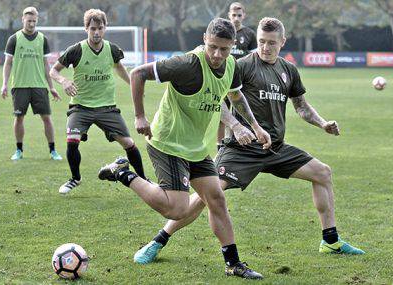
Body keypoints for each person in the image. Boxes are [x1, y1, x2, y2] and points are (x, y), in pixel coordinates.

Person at [133, 17, 365, 265]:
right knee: (205, 197)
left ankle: (330, 241)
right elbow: (218, 98)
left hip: (274, 147)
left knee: (322, 173)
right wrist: (235, 127)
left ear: (282, 42)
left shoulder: (288, 71)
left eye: (271, 43)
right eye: (262, 42)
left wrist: (322, 123)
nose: (265, 47)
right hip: (241, 150)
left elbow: (301, 106)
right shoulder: (240, 64)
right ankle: (159, 240)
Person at [98, 18, 271, 279]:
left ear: (233, 45)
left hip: (196, 147)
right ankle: (124, 172)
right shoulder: (187, 64)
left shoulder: (231, 65)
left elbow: (235, 95)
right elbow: (138, 74)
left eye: (224, 49)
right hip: (167, 142)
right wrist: (140, 116)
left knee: (216, 199)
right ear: (204, 38)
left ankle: (233, 264)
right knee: (177, 209)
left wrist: (255, 126)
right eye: (212, 46)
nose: (217, 54)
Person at [49, 9, 146, 194]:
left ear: (105, 28)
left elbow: (119, 68)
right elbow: (53, 71)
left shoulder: (112, 49)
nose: (96, 32)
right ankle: (75, 179)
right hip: (80, 107)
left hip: (107, 108)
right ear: (86, 28)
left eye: (100, 28)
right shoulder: (76, 50)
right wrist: (64, 81)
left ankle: (144, 179)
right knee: (72, 141)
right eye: (92, 28)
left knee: (129, 143)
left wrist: (134, 85)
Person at [1, 7, 62, 161]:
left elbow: (46, 65)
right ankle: (19, 150)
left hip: (39, 86)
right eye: (29, 21)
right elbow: (7, 63)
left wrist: (52, 87)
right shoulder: (14, 39)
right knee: (19, 118)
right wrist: (4, 84)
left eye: (34, 21)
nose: (32, 24)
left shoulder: (42, 39)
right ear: (23, 20)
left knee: (47, 118)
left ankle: (53, 151)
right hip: (19, 86)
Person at [217, 2, 258, 144]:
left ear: (244, 16)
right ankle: (220, 146)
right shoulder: (223, 32)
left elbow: (254, 59)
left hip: (240, 81)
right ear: (229, 15)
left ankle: (233, 141)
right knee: (221, 114)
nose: (236, 18)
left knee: (240, 112)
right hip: (222, 78)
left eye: (239, 15)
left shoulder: (250, 34)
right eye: (233, 15)